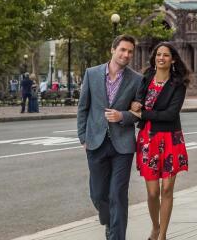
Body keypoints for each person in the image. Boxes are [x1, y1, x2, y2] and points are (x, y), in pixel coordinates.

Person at [77, 34, 143, 240]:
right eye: (123, 50)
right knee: (97, 195)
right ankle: (108, 220)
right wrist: (83, 137)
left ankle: (116, 236)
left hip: (122, 146)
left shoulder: (137, 80)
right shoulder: (92, 74)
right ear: (112, 50)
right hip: (95, 143)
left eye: (130, 51)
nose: (126, 54)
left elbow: (140, 113)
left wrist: (122, 115)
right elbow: (83, 107)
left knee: (118, 195)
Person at [128, 42, 190, 240]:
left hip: (171, 139)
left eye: (165, 55)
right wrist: (135, 105)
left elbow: (171, 114)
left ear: (173, 60)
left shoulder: (178, 84)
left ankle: (162, 235)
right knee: (153, 192)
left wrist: (143, 113)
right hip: (148, 140)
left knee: (167, 189)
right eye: (158, 54)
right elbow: (136, 103)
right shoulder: (145, 80)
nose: (161, 58)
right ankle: (155, 226)